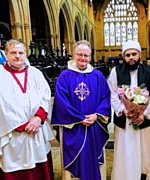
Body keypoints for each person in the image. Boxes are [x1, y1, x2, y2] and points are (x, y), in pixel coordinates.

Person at [0, 39, 54, 180]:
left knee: (39, 169)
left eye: (21, 52)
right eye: (13, 53)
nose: (17, 56)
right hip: (13, 135)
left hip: (37, 130)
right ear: (6, 54)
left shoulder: (35, 73)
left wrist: (38, 118)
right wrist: (24, 125)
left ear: (26, 54)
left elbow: (45, 96)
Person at [51, 40, 111, 180]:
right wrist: (79, 118)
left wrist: (96, 115)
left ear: (90, 57)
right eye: (80, 55)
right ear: (74, 55)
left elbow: (105, 97)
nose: (83, 58)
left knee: (93, 159)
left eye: (86, 55)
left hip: (93, 126)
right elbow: (61, 101)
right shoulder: (65, 76)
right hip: (73, 127)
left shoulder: (98, 76)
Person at [108, 41, 150, 180]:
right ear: (124, 57)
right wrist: (122, 110)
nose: (131, 58)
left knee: (144, 151)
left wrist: (144, 114)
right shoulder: (116, 71)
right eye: (128, 55)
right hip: (124, 120)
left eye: (134, 54)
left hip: (143, 120)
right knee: (125, 151)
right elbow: (112, 92)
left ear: (139, 54)